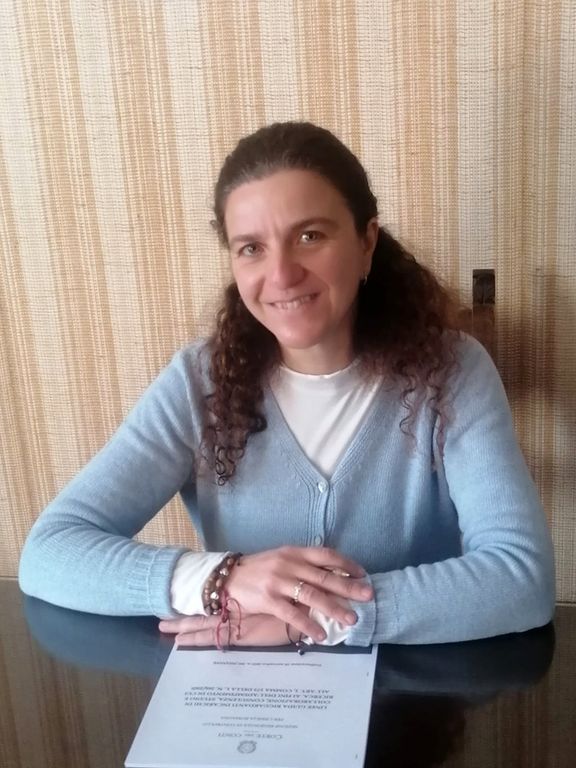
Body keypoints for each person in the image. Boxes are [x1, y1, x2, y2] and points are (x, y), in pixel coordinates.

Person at [19, 121, 555, 648]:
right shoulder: (198, 384)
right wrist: (221, 579)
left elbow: (521, 579)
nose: (280, 274)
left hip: (413, 695)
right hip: (240, 695)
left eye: (309, 236)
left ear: (366, 242)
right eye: (251, 248)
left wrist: (314, 620)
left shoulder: (452, 371)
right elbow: (51, 552)